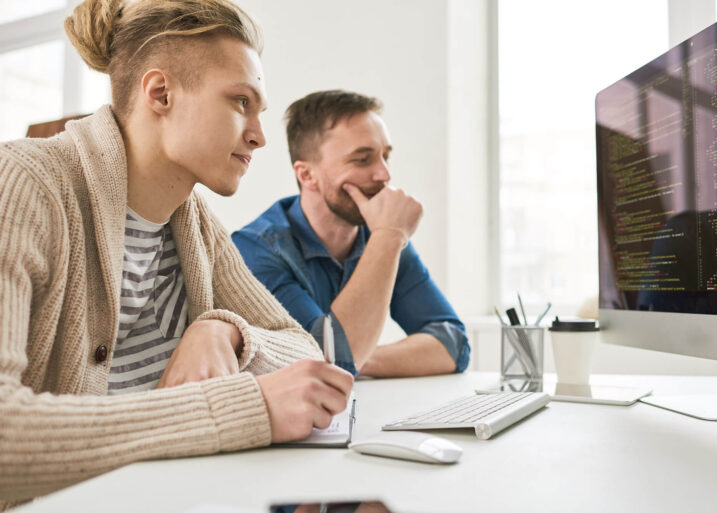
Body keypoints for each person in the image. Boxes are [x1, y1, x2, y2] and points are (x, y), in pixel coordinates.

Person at [0, 0, 353, 507]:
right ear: (160, 93)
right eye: (239, 102)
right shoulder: (23, 185)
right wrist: (234, 410)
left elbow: (302, 350)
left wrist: (225, 331)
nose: (258, 134)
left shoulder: (193, 221)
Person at [233, 90, 470, 377]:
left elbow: (453, 345)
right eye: (362, 160)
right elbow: (330, 362)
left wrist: (363, 359)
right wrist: (389, 236)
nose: (384, 174)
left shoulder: (380, 235)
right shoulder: (255, 250)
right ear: (307, 175)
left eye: (385, 156)